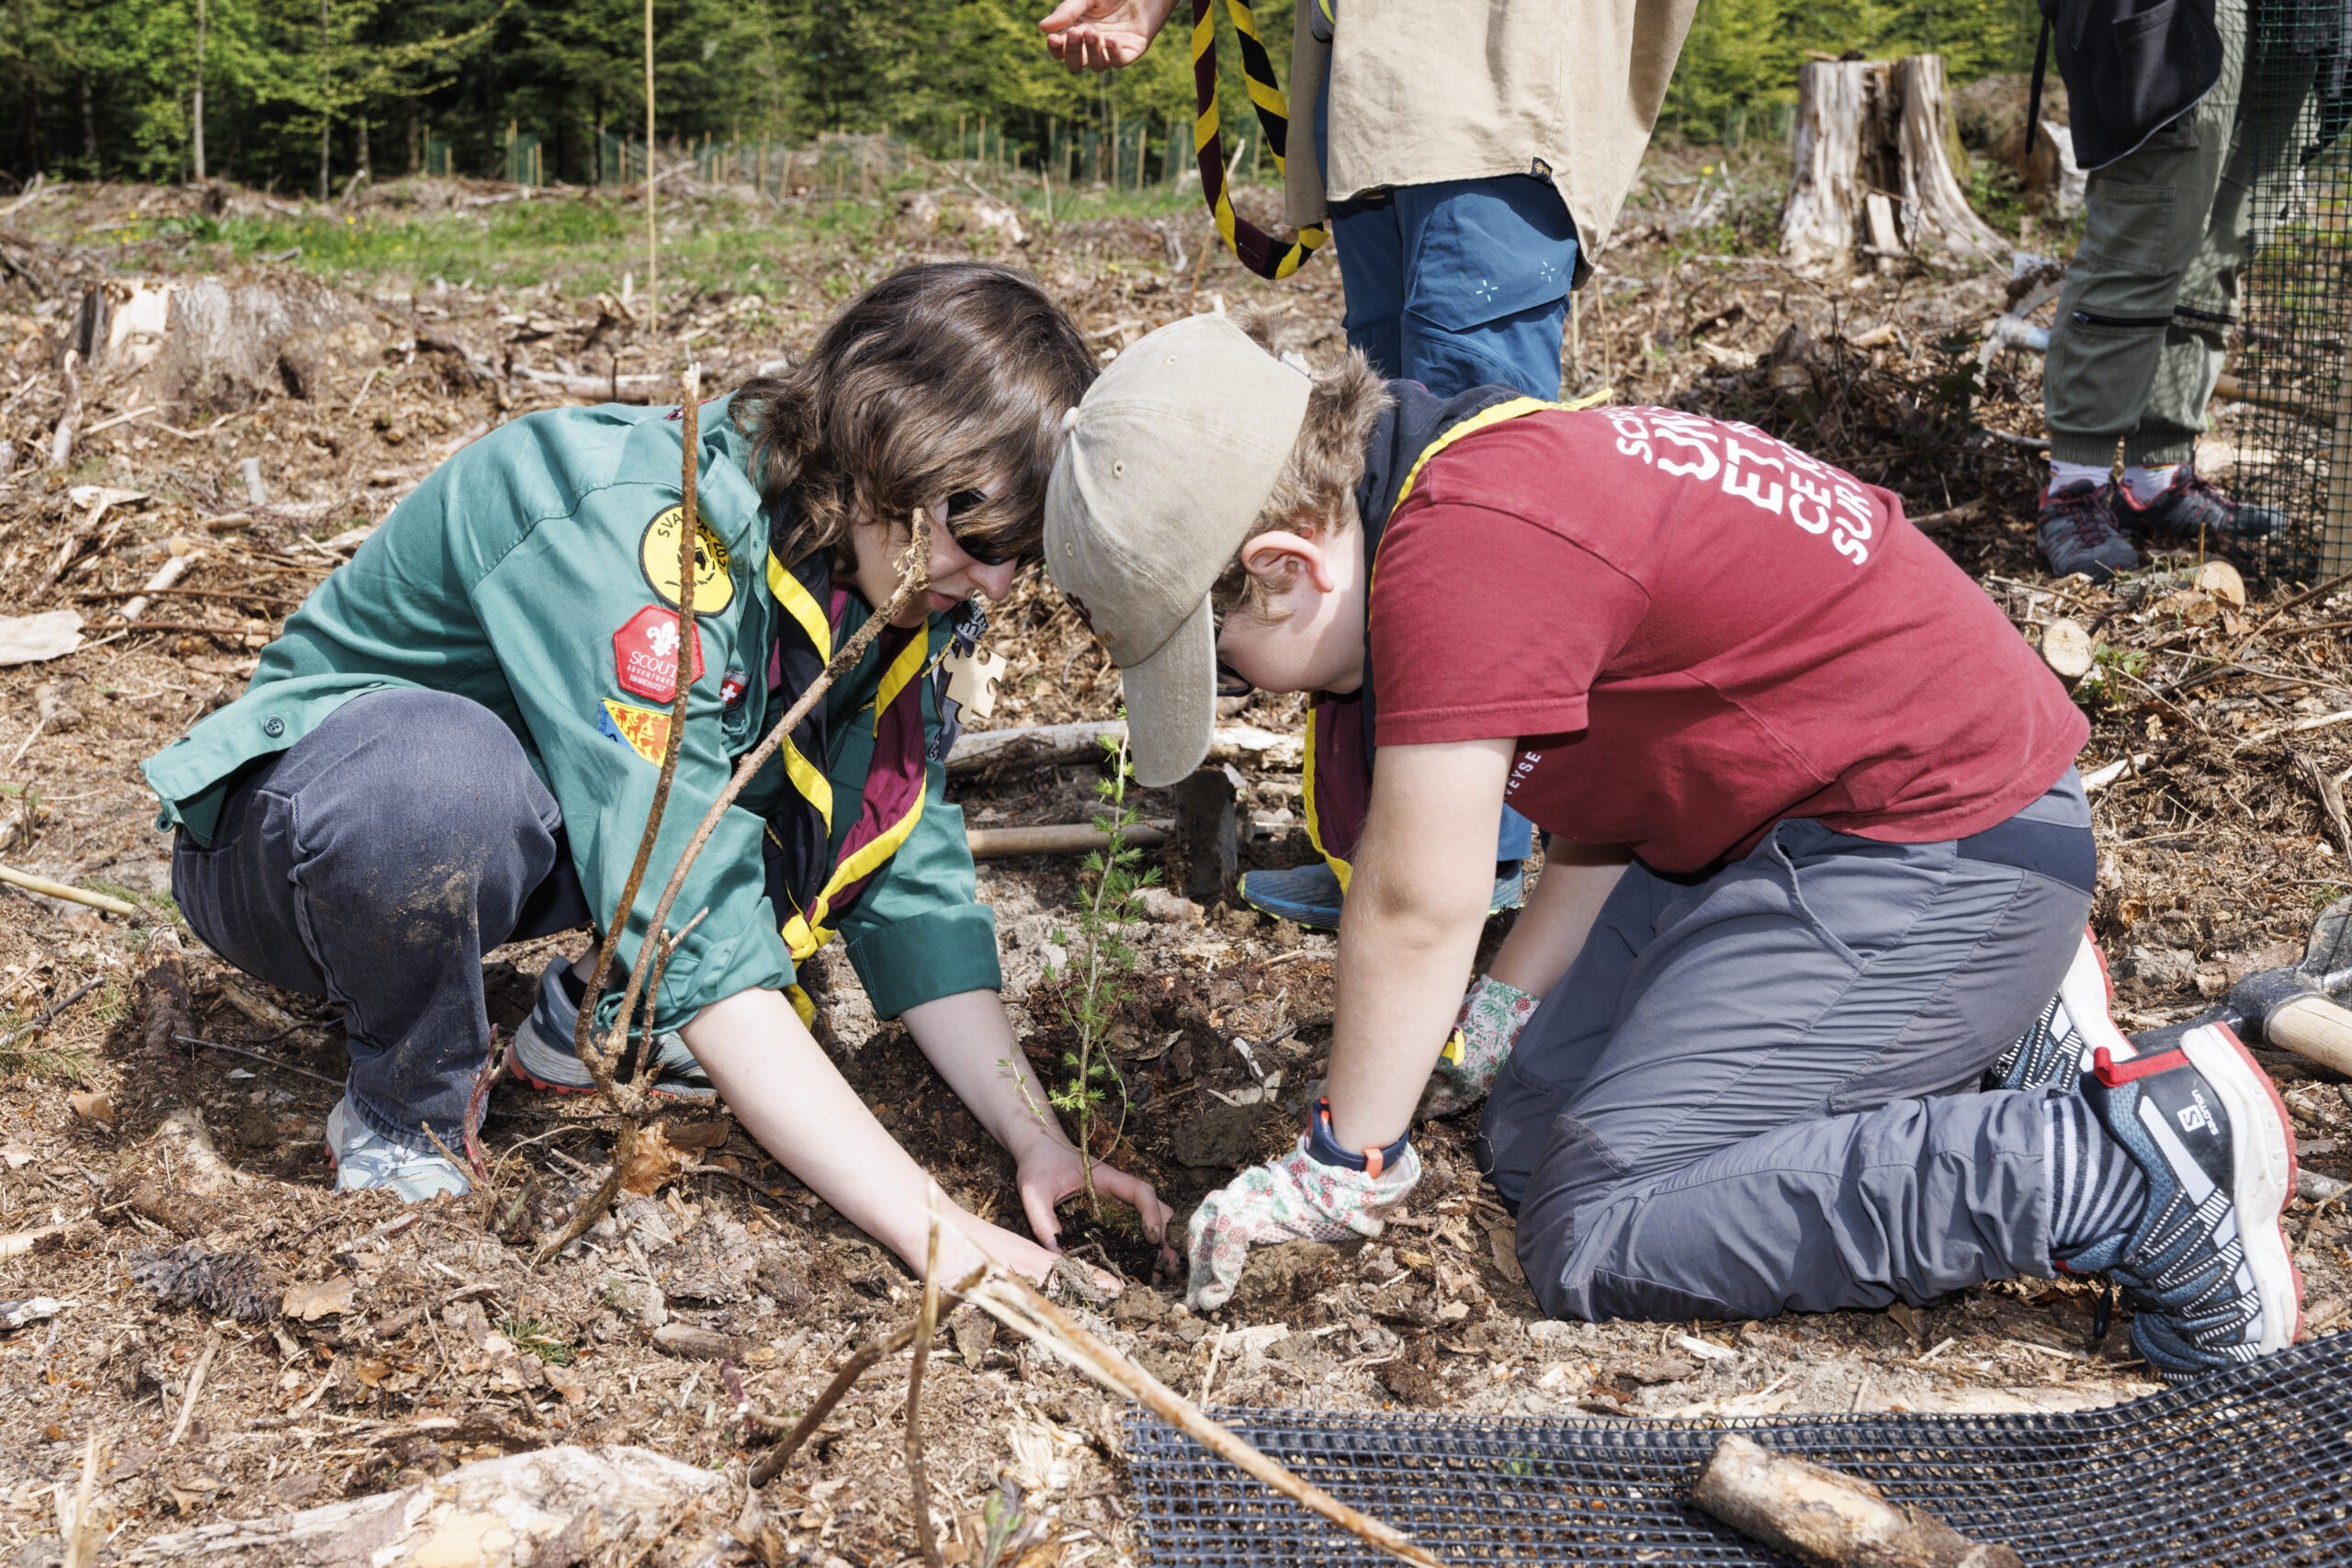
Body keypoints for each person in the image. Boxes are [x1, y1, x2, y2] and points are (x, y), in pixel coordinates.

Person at [1042, 311, 2303, 1382]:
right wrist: (1494, 1023)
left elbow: (1417, 905)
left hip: (1946, 844)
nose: (1254, 694)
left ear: (1281, 567)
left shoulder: (1464, 549)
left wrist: (1343, 1163)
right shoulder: (1451, 473)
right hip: (1790, 830)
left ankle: (2121, 1172)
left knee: (1600, 1224)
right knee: (1532, 1135)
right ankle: (1977, 1040)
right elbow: (1611, 794)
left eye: (1230, 666)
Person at [143, 263, 1172, 1288]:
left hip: (532, 837)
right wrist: (932, 1229)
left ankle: (597, 1015)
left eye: (1022, 550)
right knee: (446, 781)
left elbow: (901, 855)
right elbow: (689, 899)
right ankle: (402, 1107)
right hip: (295, 846)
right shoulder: (641, 526)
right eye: (980, 532)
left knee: (778, 784)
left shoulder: (866, 575)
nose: (997, 581)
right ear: (885, 442)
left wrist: (1037, 1138)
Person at [1038, 0, 1697, 930]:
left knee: (1475, 489)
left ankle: (1471, 853)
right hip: (1370, 81)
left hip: (1491, 68)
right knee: (1374, 483)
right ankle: (1393, 832)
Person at [2033, 0, 2312, 580]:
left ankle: (2156, 479)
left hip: (2299, 20)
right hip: (2187, 12)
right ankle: (2074, 488)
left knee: (2222, 250)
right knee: (2144, 237)